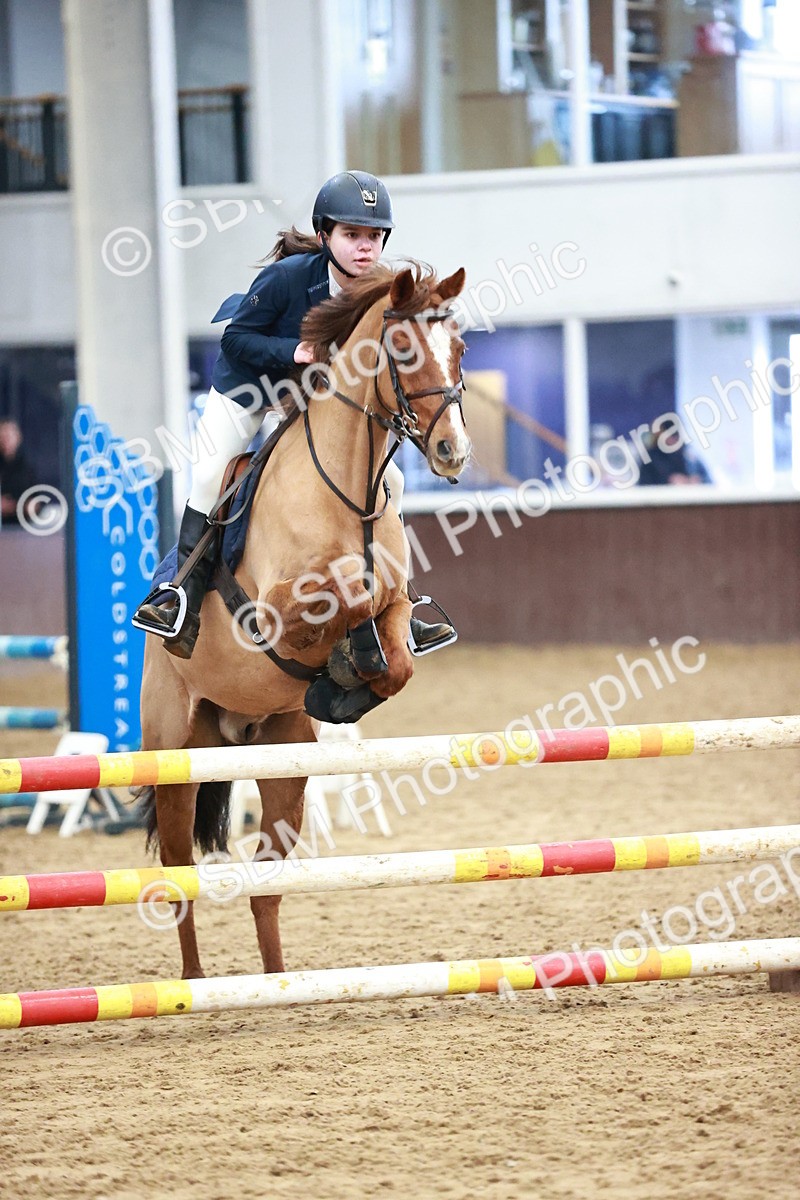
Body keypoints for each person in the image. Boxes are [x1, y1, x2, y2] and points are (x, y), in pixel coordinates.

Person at [134, 170, 455, 660]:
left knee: (393, 482)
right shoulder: (286, 278)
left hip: (311, 399)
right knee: (207, 474)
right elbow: (235, 339)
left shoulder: (379, 290)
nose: (364, 247)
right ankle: (179, 595)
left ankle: (402, 602)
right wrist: (297, 351)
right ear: (325, 236)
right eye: (352, 235)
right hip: (250, 386)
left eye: (374, 236)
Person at [0, 418, 36, 527]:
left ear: (18, 437)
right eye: (3, 437)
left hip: (22, 529)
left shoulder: (27, 467)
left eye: (9, 436)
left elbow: (38, 498)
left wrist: (30, 505)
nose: (6, 441)